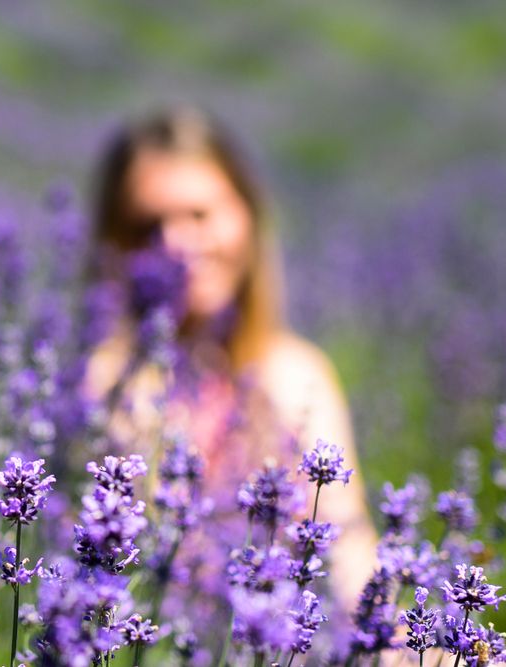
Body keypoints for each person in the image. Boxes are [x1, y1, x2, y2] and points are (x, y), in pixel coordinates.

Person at [82, 108, 379, 626]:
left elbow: (352, 556)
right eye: (148, 225)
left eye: (199, 215)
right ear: (114, 243)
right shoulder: (100, 384)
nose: (177, 243)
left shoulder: (298, 376)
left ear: (248, 215)